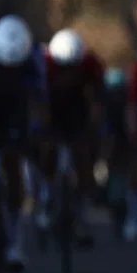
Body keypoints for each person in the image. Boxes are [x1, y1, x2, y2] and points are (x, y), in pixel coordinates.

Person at [44, 29, 106, 248]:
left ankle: (80, 214)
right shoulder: (46, 63)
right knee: (46, 152)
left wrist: (94, 127)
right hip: (53, 114)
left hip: (79, 115)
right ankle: (47, 198)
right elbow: (36, 100)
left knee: (83, 160)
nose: (67, 73)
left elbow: (98, 98)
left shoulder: (90, 63)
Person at [0, 15, 45, 272]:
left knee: (18, 181)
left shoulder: (33, 62)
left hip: (18, 124)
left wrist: (35, 134)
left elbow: (40, 102)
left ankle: (15, 244)